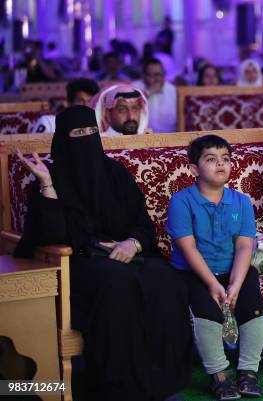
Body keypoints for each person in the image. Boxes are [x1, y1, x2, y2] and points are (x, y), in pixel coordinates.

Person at [14, 106, 192, 401]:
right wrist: (48, 186)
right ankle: (119, 385)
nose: (86, 138)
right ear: (63, 138)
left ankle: (164, 379)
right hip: (81, 261)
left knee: (164, 278)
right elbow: (53, 237)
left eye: (90, 132)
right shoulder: (52, 176)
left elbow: (142, 222)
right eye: (77, 133)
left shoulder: (115, 173)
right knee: (115, 281)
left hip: (128, 253)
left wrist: (132, 243)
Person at [167, 135, 263, 400]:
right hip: (194, 272)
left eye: (225, 159)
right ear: (194, 168)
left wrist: (234, 284)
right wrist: (213, 283)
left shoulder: (241, 201)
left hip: (232, 268)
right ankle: (219, 375)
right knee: (205, 306)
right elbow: (188, 249)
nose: (220, 164)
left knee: (252, 296)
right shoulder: (181, 201)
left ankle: (248, 371)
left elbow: (245, 246)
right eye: (211, 159)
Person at [34, 78, 100, 133]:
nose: (86, 106)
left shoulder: (100, 128)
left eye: (90, 101)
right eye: (80, 101)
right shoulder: (49, 123)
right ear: (69, 103)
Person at [133, 58, 177, 133]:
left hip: (170, 138)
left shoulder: (173, 90)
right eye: (152, 75)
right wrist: (149, 92)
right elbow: (132, 108)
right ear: (144, 76)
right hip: (142, 138)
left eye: (159, 74)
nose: (157, 78)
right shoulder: (135, 87)